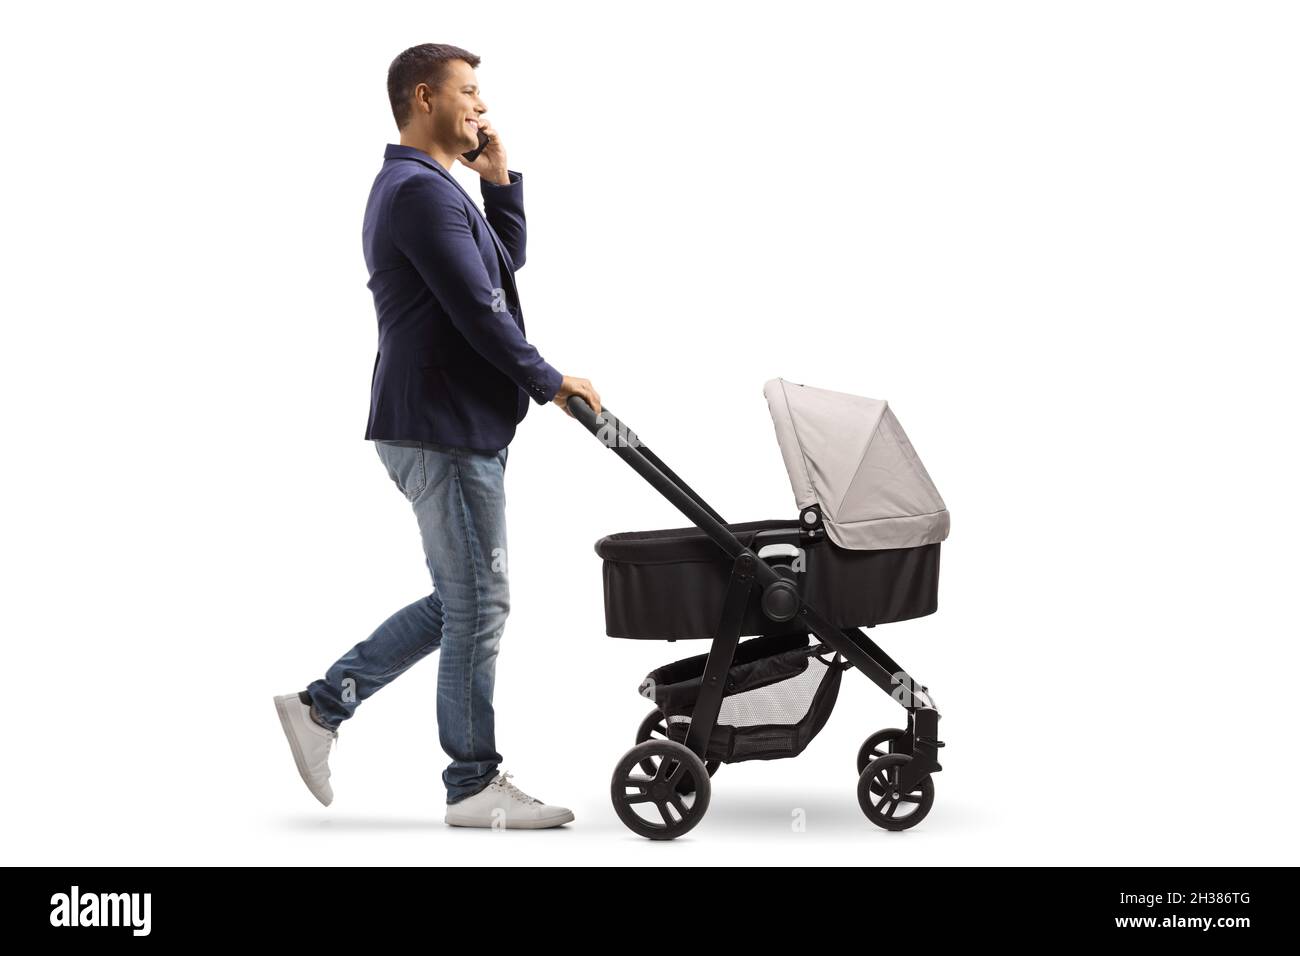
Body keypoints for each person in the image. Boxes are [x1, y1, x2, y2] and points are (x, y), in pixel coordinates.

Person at [274, 42, 600, 830]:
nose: (481, 108)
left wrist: (500, 187)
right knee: (480, 603)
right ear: (424, 98)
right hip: (442, 427)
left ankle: (321, 708)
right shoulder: (415, 193)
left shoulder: (431, 189)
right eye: (470, 92)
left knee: (467, 601)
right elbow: (477, 309)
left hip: (443, 423)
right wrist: (550, 381)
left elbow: (499, 270)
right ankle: (472, 783)